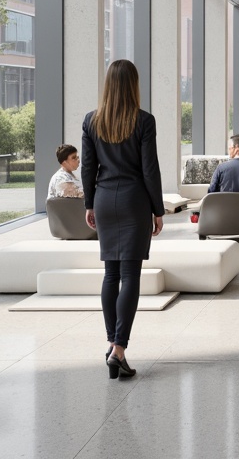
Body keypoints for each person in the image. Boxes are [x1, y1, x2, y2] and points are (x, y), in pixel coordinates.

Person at [81, 59, 164, 381]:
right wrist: (158, 209)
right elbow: (149, 170)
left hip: (104, 199)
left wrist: (89, 204)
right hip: (133, 201)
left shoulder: (92, 121)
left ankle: (112, 344)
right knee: (130, 275)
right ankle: (119, 349)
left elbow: (88, 167)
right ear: (133, 85)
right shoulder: (143, 121)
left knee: (110, 274)